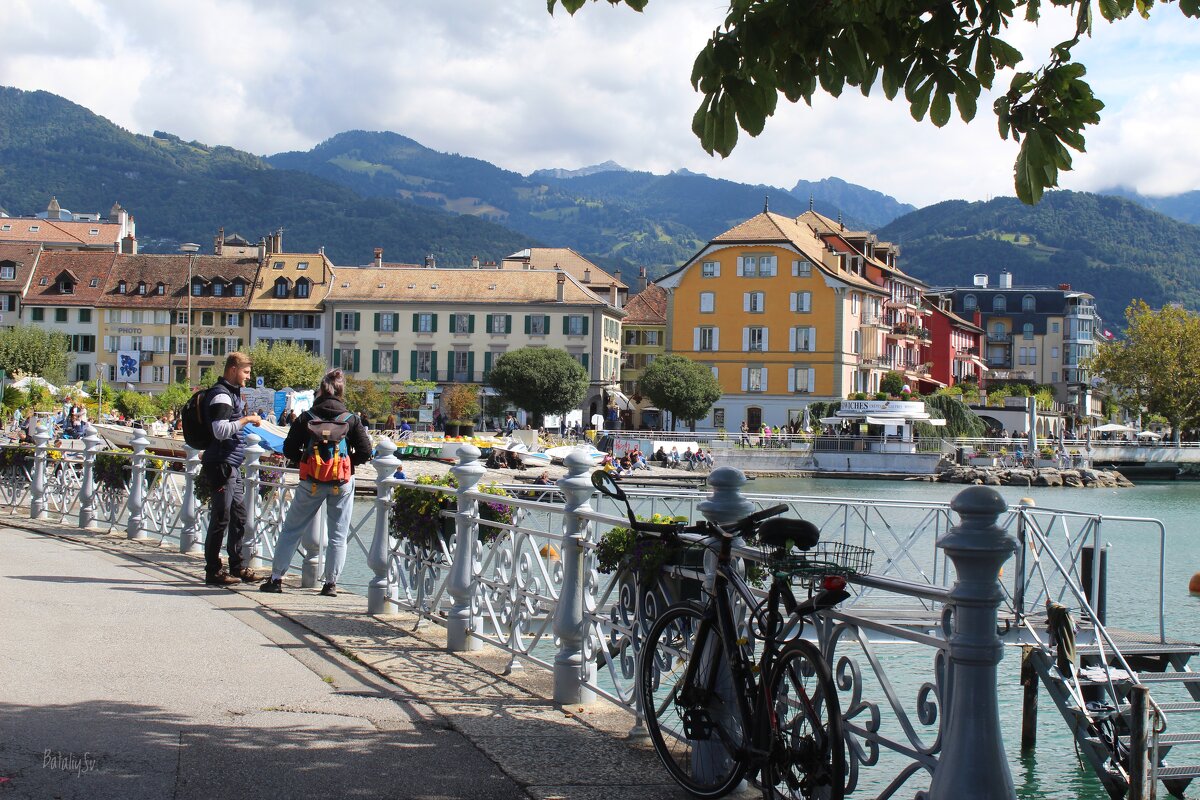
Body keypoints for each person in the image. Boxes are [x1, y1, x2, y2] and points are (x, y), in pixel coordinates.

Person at [260, 369, 372, 597]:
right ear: (341, 391)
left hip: (310, 481)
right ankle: (330, 584)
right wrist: (348, 465)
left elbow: (289, 449)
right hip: (341, 482)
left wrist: (308, 459)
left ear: (321, 390)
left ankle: (276, 578)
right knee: (338, 535)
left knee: (291, 529)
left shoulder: (307, 417)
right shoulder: (350, 419)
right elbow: (366, 451)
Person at [199, 352, 262, 586]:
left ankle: (237, 567)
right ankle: (213, 570)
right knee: (221, 517)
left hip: (231, 464)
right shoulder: (221, 396)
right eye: (246, 372)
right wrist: (246, 420)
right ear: (233, 369)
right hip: (221, 464)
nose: (249, 376)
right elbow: (220, 430)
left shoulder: (232, 394)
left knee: (238, 516)